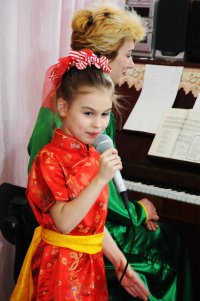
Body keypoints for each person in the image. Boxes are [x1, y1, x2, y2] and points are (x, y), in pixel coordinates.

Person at [27, 4, 192, 301]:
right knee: (170, 248)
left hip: (95, 236)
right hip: (68, 248)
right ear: (101, 59)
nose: (131, 64)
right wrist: (138, 211)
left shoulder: (91, 118)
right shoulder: (61, 138)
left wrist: (123, 252)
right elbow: (73, 212)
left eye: (104, 114)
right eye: (128, 55)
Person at [10, 49, 150, 301]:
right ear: (63, 107)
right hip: (60, 269)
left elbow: (91, 225)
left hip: (91, 265)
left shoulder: (93, 155)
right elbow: (64, 223)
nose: (98, 124)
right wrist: (99, 179)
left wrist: (120, 262)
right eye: (88, 113)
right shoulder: (49, 159)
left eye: (105, 114)